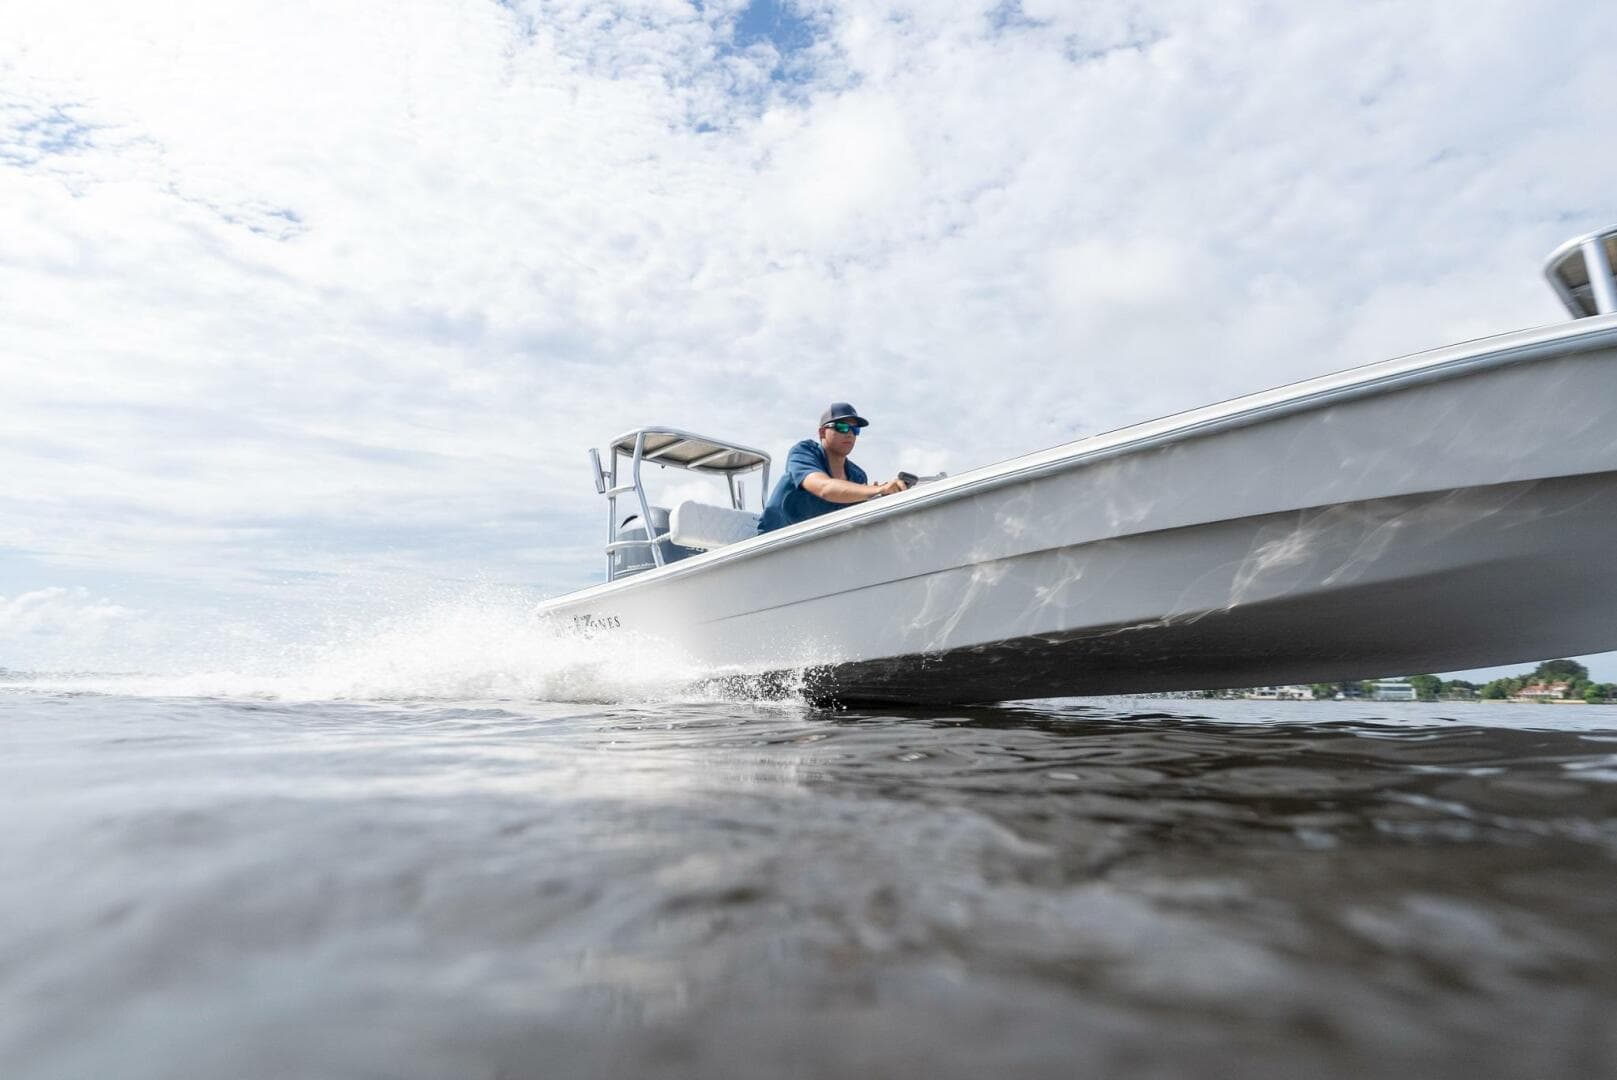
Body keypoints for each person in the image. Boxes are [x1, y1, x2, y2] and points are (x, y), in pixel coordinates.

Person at [757, 402, 909, 533]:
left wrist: (882, 496)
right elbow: (824, 488)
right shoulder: (803, 452)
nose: (849, 434)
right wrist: (877, 490)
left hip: (820, 548)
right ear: (822, 432)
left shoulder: (858, 476)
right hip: (774, 545)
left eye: (855, 430)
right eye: (842, 427)